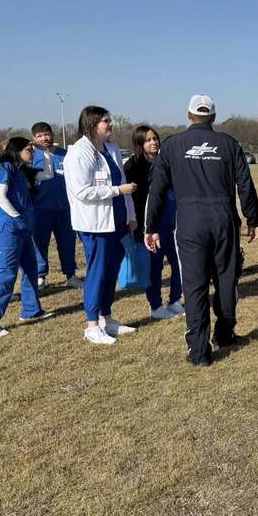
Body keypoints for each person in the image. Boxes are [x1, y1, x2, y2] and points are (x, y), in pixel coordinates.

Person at [145, 95, 258, 367]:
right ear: (213, 117)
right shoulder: (230, 144)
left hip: (189, 221)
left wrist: (150, 226)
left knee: (195, 285)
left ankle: (199, 351)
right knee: (226, 277)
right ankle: (224, 333)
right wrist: (252, 218)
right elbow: (245, 184)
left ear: (188, 115)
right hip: (223, 219)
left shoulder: (172, 145)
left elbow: (157, 189)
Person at [64, 106, 138, 345]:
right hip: (95, 224)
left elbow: (123, 181)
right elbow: (82, 191)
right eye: (106, 121)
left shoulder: (111, 148)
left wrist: (131, 215)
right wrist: (117, 191)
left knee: (111, 271)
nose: (111, 124)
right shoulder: (78, 153)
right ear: (93, 124)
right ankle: (92, 325)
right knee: (97, 273)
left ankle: (107, 318)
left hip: (117, 220)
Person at [0, 137, 53, 336]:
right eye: (28, 149)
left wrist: (44, 151)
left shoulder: (20, 170)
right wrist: (16, 217)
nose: (31, 153)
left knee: (30, 267)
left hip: (21, 228)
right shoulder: (5, 167)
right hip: (6, 229)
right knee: (6, 273)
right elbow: (0, 196)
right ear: (16, 150)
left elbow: (48, 174)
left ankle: (31, 310)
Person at [123, 125, 184, 320]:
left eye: (155, 138)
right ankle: (155, 306)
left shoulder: (167, 161)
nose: (154, 142)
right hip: (150, 225)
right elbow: (131, 199)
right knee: (155, 267)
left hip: (173, 221)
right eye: (148, 140)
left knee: (178, 263)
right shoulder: (132, 166)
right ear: (140, 144)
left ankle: (175, 300)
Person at [30, 121, 81, 289]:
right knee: (39, 244)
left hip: (64, 209)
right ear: (34, 138)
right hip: (39, 210)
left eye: (47, 134)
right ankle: (40, 276)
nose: (44, 138)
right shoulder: (30, 156)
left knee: (67, 243)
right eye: (40, 135)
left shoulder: (65, 154)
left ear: (52, 134)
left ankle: (70, 274)